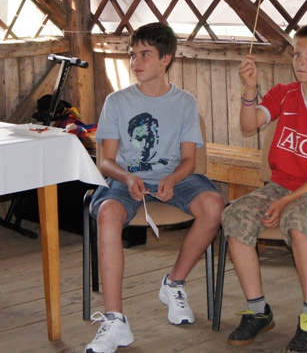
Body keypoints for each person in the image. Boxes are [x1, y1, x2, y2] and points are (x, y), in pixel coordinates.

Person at [85, 22, 224, 353]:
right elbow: (105, 162)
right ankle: (115, 320)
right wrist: (127, 178)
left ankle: (174, 282)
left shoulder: (185, 102)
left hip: (176, 177)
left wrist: (172, 179)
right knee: (108, 214)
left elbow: (189, 160)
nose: (136, 62)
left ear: (166, 59)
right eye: (133, 55)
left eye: (145, 54)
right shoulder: (117, 101)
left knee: (214, 206)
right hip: (125, 179)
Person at [221, 23, 307, 353]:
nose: (301, 61)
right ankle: (258, 311)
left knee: (298, 221)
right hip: (281, 185)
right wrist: (250, 89)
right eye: (298, 54)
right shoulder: (284, 93)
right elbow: (248, 124)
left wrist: (286, 203)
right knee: (234, 215)